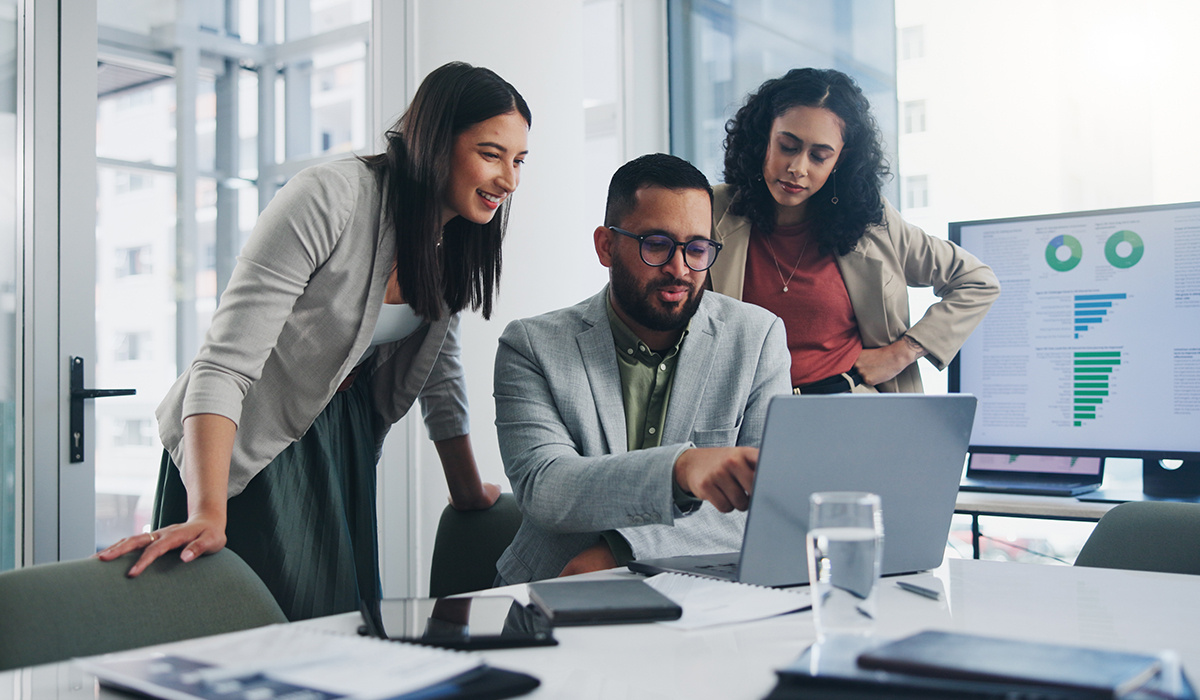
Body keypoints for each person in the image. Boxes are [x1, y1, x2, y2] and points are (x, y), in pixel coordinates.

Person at [97, 61, 531, 620]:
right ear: (433, 142)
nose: (510, 181)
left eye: (519, 161)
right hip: (246, 440)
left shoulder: (452, 239)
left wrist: (467, 490)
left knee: (338, 629)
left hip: (338, 439)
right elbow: (223, 364)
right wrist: (208, 509)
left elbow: (436, 369)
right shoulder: (332, 196)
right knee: (269, 633)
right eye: (491, 154)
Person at [492, 153, 791, 585]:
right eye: (656, 244)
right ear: (606, 247)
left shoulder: (757, 338)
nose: (680, 269)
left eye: (697, 248)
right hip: (549, 589)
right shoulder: (532, 346)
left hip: (703, 596)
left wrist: (621, 550)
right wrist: (682, 469)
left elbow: (769, 503)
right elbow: (547, 489)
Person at [710, 67, 999, 394]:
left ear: (840, 161)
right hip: (745, 417)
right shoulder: (709, 212)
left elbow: (977, 281)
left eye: (819, 156)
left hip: (853, 409)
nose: (798, 168)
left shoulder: (872, 222)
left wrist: (902, 352)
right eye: (788, 146)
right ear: (763, 138)